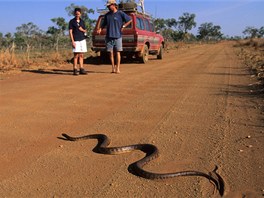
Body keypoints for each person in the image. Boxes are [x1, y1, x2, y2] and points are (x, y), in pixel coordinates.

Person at [97, 0, 132, 74]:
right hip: (109, 36)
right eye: (108, 6)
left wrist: (124, 26)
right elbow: (103, 24)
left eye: (109, 6)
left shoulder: (120, 13)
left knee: (118, 52)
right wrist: (100, 29)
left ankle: (118, 68)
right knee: (110, 53)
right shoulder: (107, 15)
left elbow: (129, 20)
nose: (108, 7)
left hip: (118, 36)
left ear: (113, 5)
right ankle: (113, 67)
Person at [69, 8, 88, 75]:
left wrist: (83, 30)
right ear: (74, 14)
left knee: (81, 55)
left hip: (82, 39)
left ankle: (81, 68)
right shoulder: (72, 22)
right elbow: (70, 32)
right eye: (76, 14)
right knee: (76, 55)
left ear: (80, 14)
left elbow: (85, 31)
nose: (77, 15)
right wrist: (72, 41)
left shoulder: (82, 21)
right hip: (76, 40)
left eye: (78, 14)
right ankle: (75, 69)